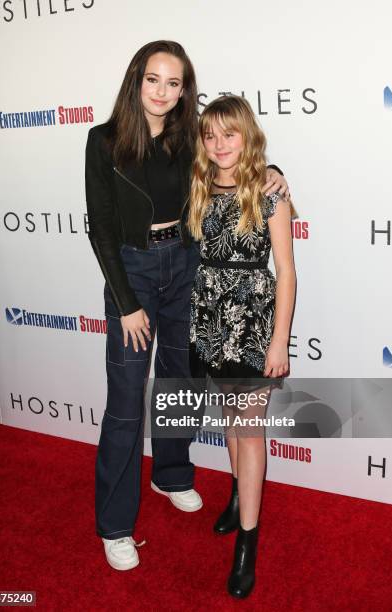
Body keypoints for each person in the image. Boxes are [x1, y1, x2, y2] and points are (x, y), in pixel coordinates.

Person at [85, 40, 289, 572]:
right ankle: (115, 524)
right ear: (137, 80)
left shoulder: (187, 141)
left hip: (186, 265)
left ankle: (171, 473)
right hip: (133, 270)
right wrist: (126, 302)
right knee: (127, 402)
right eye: (153, 79)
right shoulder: (103, 141)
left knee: (178, 383)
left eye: (173, 83)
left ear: (183, 91)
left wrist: (276, 172)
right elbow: (101, 229)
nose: (162, 91)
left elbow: (235, 160)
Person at [188, 95, 296, 598]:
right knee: (230, 421)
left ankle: (247, 543)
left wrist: (279, 341)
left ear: (247, 135)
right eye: (210, 136)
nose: (219, 144)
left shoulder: (270, 192)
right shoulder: (200, 185)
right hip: (208, 320)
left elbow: (287, 273)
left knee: (248, 430)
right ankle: (236, 496)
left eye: (229, 134)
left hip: (252, 323)